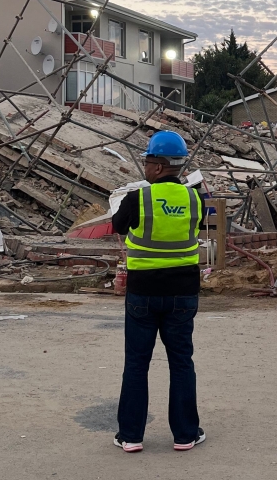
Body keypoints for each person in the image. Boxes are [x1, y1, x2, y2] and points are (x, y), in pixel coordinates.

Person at [112, 130, 206, 453]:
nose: (145, 168)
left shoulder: (138, 198)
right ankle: (185, 434)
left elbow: (118, 225)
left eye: (147, 162)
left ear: (159, 165)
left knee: (137, 363)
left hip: (144, 292)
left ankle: (130, 436)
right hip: (183, 292)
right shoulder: (195, 199)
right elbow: (194, 228)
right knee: (181, 362)